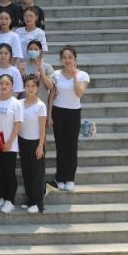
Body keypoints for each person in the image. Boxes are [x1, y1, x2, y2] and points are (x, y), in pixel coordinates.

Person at [46, 46, 89, 192]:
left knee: (71, 146)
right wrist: (49, 115)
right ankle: (60, 178)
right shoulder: (56, 75)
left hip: (73, 113)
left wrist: (74, 76)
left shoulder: (83, 75)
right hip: (58, 112)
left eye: (70, 57)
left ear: (75, 59)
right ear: (61, 59)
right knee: (60, 147)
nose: (67, 60)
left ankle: (70, 178)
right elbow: (52, 96)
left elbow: (79, 93)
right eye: (64, 57)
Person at [0, 74, 24, 214]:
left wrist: (9, 142)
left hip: (9, 144)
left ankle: (10, 201)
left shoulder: (16, 103)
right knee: (0, 172)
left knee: (9, 173)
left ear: (12, 86)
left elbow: (18, 124)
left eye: (7, 84)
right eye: (1, 83)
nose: (4, 86)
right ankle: (3, 197)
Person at [19, 74, 48, 213]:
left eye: (33, 86)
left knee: (37, 174)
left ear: (37, 88)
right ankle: (30, 199)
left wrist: (40, 146)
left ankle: (38, 203)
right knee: (27, 172)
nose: (30, 88)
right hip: (22, 141)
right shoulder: (19, 103)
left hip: (36, 142)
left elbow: (43, 128)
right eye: (27, 86)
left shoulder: (40, 106)